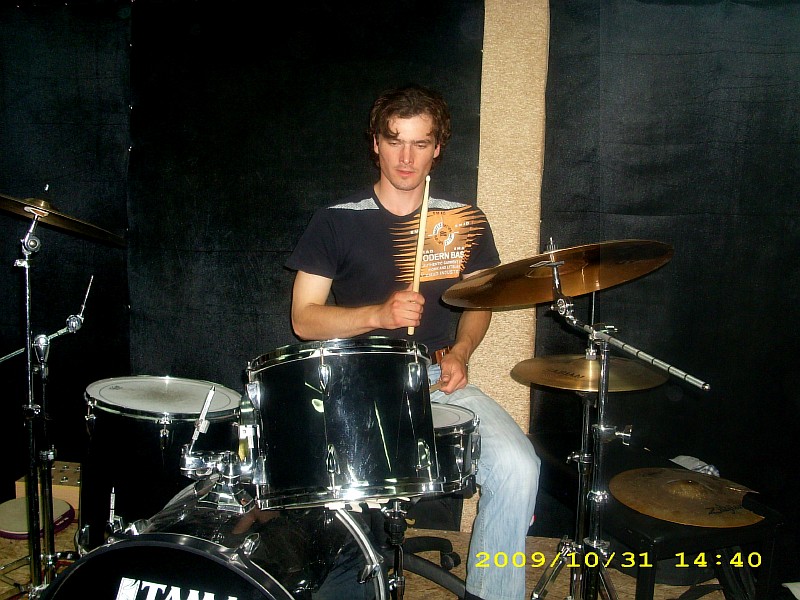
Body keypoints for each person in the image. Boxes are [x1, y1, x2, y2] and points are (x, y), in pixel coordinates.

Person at [286, 83, 540, 600]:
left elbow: (480, 302)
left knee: (519, 467)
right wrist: (378, 314)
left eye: (420, 143)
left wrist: (461, 352)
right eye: (394, 140)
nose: (406, 158)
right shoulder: (336, 220)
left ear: (437, 148)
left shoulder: (462, 221)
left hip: (434, 379)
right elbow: (304, 320)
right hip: (355, 380)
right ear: (375, 144)